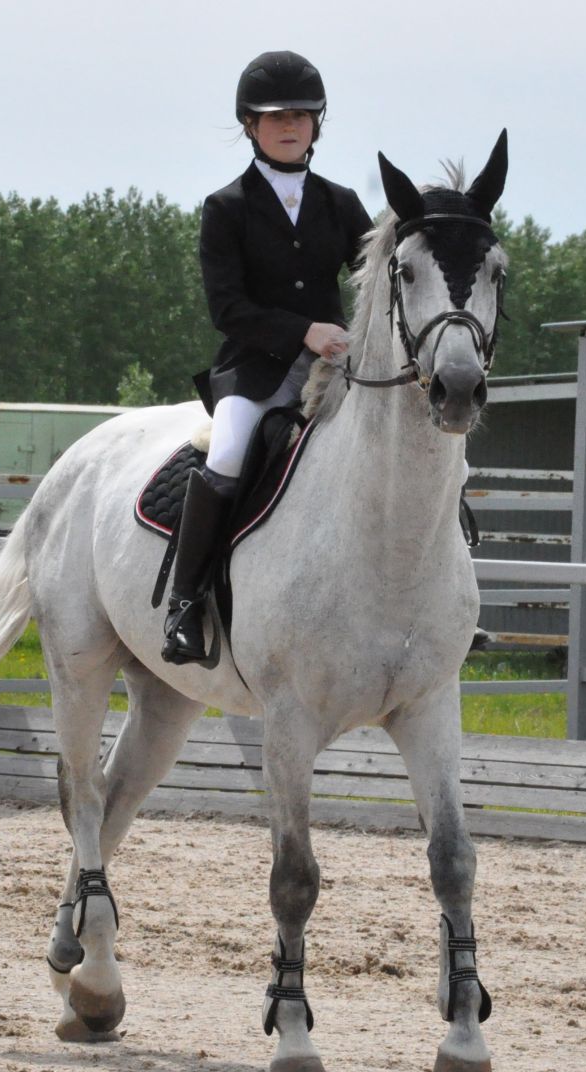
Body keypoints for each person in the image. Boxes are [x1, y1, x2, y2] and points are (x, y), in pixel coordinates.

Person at [160, 49, 375, 665]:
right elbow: (228, 309)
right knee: (227, 451)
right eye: (276, 116)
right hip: (257, 367)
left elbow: (378, 277)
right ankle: (186, 603)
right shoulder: (226, 207)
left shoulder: (340, 203)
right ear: (250, 125)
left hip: (338, 367)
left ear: (316, 125)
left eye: (303, 116)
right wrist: (303, 330)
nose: (290, 125)